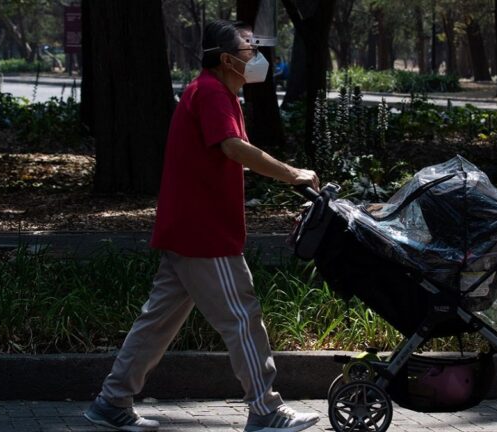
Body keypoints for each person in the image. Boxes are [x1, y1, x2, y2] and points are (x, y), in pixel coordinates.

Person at [83, 19, 321, 432]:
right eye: (249, 50)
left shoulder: (213, 92)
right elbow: (233, 149)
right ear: (228, 60)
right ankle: (265, 409)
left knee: (156, 324)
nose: (257, 57)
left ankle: (111, 401)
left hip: (185, 230)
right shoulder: (212, 93)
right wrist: (292, 173)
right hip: (205, 235)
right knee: (243, 316)